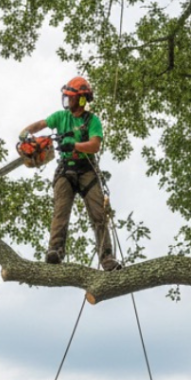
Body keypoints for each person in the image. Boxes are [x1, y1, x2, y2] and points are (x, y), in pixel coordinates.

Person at [18, 75, 119, 270]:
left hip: (87, 170)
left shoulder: (92, 121)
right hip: (66, 169)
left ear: (81, 99)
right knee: (61, 211)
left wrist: (75, 145)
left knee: (99, 215)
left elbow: (95, 145)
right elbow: (41, 125)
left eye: (71, 97)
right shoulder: (61, 117)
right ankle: (55, 250)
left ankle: (107, 258)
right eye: (67, 97)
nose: (68, 101)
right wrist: (26, 133)